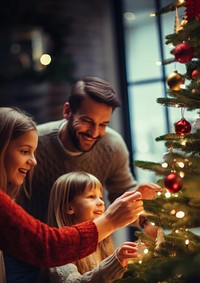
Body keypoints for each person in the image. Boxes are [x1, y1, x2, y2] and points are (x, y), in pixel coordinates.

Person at [0, 107, 144, 283]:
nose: (34, 161)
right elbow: (48, 246)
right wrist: (110, 220)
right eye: (24, 151)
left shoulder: (114, 146)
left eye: (103, 124)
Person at [19, 76, 160, 223]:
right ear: (67, 111)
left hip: (94, 243)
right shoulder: (33, 144)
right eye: (87, 121)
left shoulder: (113, 147)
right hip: (35, 240)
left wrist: (144, 212)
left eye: (103, 124)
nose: (94, 133)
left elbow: (121, 193)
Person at [40, 171, 139, 283]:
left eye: (100, 197)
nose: (101, 202)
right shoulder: (58, 249)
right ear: (69, 207)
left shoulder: (103, 242)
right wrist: (115, 263)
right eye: (91, 196)